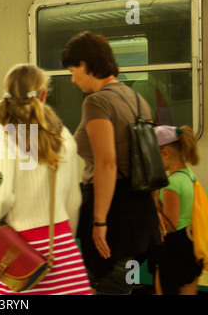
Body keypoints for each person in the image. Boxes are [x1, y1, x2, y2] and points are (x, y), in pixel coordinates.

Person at [60, 31, 161, 294]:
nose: (72, 79)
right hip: (141, 213)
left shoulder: (97, 102)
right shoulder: (138, 100)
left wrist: (100, 222)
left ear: (84, 64)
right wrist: (155, 210)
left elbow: (106, 163)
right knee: (120, 288)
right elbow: (150, 162)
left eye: (73, 71)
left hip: (113, 215)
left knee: (105, 287)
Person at [0, 64, 91, 295]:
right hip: (63, 254)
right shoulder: (63, 134)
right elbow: (73, 201)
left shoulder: (2, 135)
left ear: (8, 94)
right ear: (43, 95)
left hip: (20, 257)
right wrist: (63, 240)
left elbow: (1, 196)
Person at [152, 125, 203, 295]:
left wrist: (154, 199)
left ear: (165, 153)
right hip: (191, 243)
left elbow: (170, 224)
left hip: (174, 247)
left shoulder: (171, 184)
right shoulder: (189, 175)